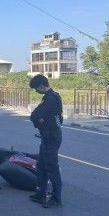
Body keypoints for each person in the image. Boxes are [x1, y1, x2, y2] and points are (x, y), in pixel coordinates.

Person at [29, 74, 63, 208]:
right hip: (48, 136)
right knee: (41, 166)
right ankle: (41, 193)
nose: (36, 91)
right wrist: (41, 121)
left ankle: (56, 198)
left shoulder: (51, 99)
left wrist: (40, 121)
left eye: (36, 88)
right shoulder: (53, 96)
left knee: (52, 168)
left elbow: (34, 115)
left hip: (51, 137)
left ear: (42, 86)